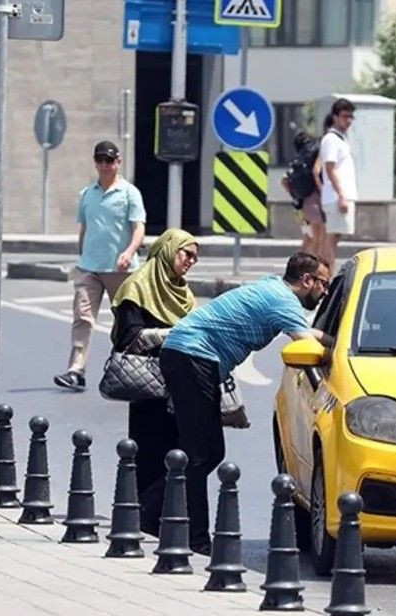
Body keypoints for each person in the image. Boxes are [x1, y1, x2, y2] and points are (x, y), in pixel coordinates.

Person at [158, 253, 329, 553]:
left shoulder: (275, 289)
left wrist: (336, 341)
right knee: (199, 454)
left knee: (208, 452)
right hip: (192, 356)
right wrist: (341, 354)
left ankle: (151, 514)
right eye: (323, 284)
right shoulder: (283, 300)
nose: (325, 292)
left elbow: (310, 332)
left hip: (191, 357)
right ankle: (192, 537)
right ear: (306, 280)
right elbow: (307, 343)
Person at [109, 229, 198, 536]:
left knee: (179, 450)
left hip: (179, 383)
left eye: (195, 258)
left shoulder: (183, 292)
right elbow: (129, 337)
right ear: (168, 250)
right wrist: (171, 334)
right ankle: (141, 516)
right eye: (187, 254)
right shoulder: (137, 287)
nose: (191, 261)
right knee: (148, 451)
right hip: (146, 384)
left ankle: (163, 515)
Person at [54, 141, 146, 392]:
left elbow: (138, 227)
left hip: (121, 270)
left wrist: (129, 251)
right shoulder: (87, 194)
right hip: (90, 268)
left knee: (126, 321)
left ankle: (128, 368)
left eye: (109, 160)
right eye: (100, 160)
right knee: (82, 317)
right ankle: (76, 371)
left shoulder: (129, 193)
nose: (105, 165)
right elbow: (84, 227)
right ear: (95, 162)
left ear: (118, 162)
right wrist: (82, 254)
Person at [314, 99, 358, 275]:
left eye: (350, 117)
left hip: (340, 195)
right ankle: (326, 277)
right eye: (345, 116)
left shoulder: (340, 139)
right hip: (336, 196)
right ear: (335, 117)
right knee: (331, 238)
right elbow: (330, 169)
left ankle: (325, 275)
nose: (348, 120)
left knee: (334, 236)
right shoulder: (331, 139)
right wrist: (341, 195)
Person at [281, 130, 327, 259]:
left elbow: (284, 181)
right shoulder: (311, 156)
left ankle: (299, 262)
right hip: (312, 202)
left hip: (298, 206)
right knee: (317, 236)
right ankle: (309, 263)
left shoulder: (297, 160)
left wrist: (294, 194)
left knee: (308, 237)